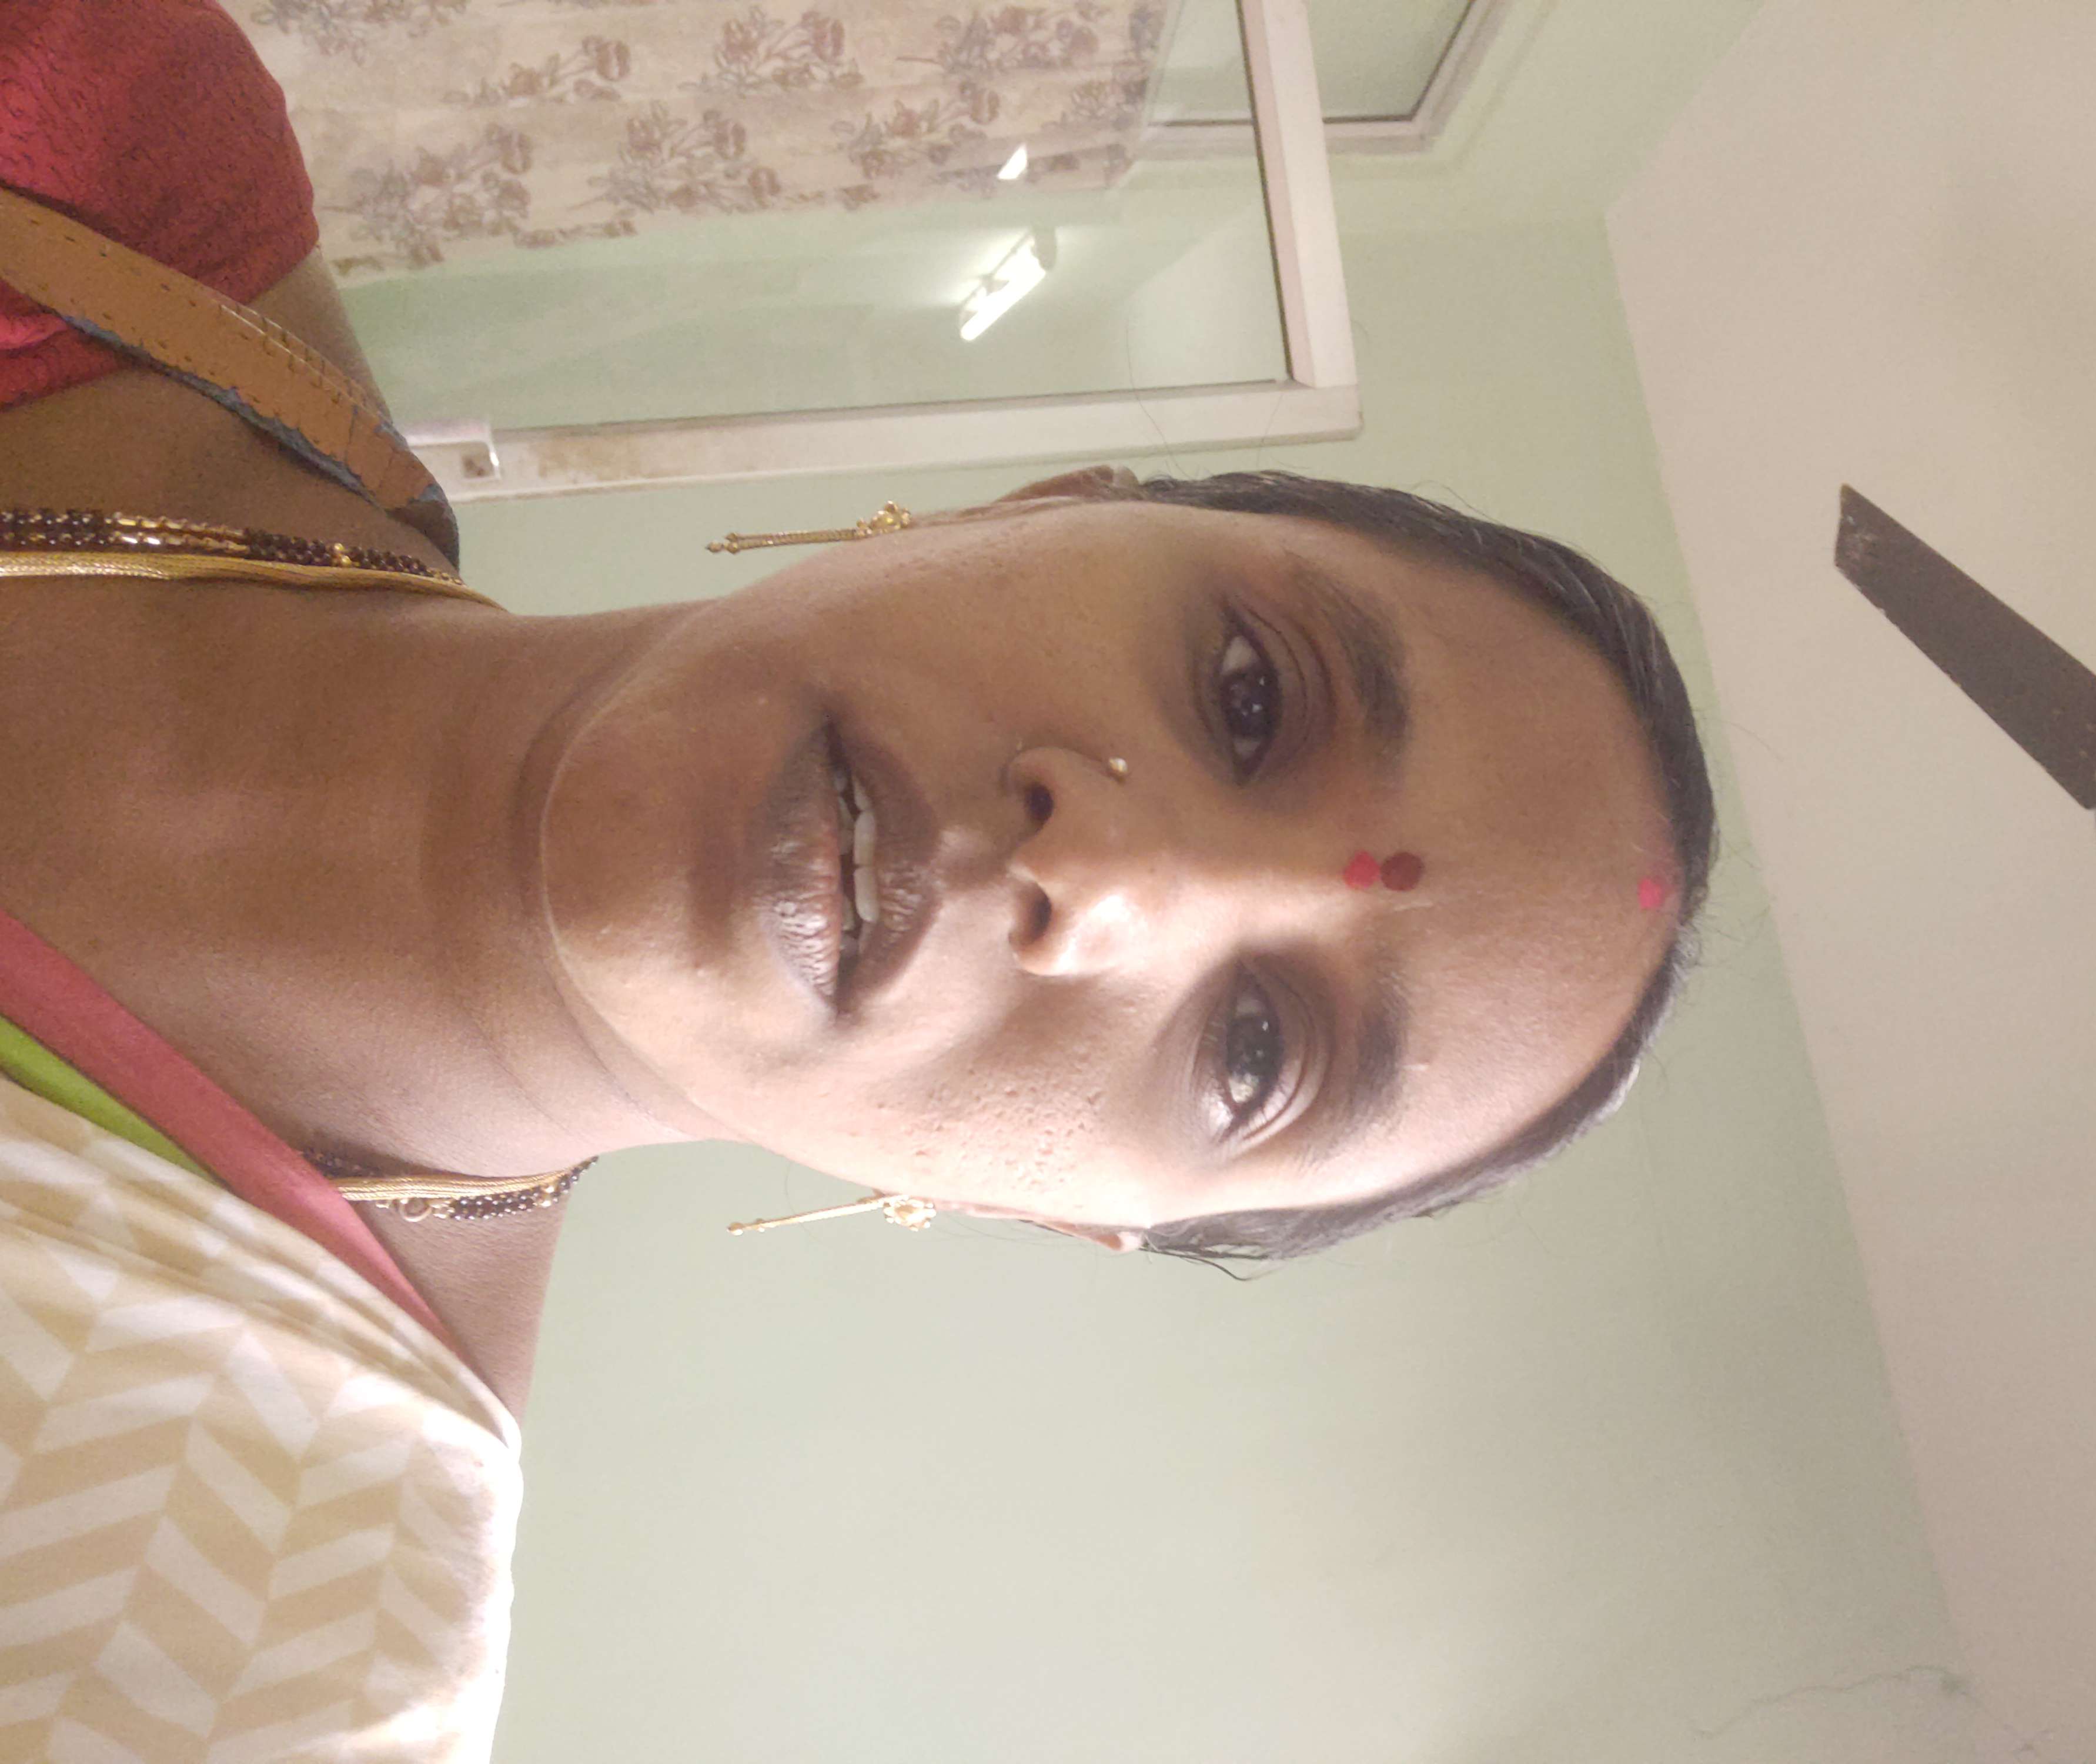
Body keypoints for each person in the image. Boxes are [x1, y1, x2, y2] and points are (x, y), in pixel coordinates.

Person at [0, 2, 1714, 1758]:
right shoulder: (87, 133)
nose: (1107, 870)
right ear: (1040, 504)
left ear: (1056, 1214)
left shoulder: (271, 1657)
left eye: (1258, 1052)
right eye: (1251, 696)